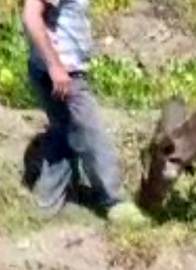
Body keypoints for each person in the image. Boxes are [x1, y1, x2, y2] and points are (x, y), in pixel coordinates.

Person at [22, 0, 137, 220]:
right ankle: (115, 202)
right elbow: (31, 16)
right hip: (63, 75)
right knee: (93, 135)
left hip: (56, 71)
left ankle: (46, 206)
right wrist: (55, 67)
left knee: (62, 134)